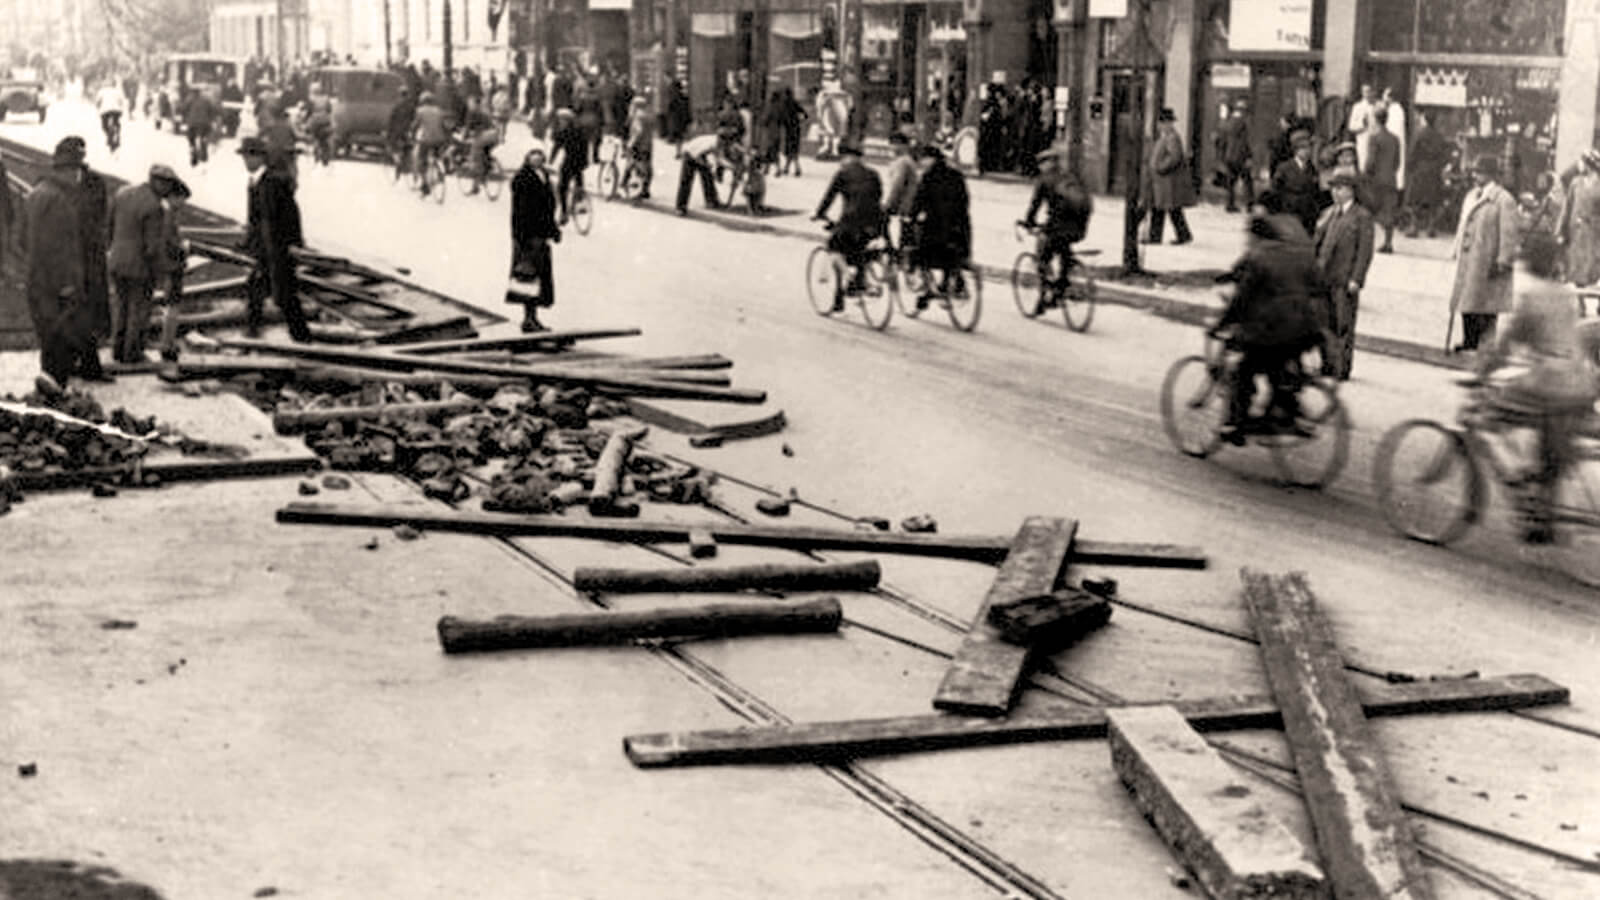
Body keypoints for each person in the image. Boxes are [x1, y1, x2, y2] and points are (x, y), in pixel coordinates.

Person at [1473, 232, 1600, 542]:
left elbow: (1505, 347)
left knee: (1485, 421)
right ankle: (1541, 517)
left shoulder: (1531, 298)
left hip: (1549, 383)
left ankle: (1518, 480)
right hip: (1579, 383)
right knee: (1552, 444)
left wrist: (1482, 373)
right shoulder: (1566, 294)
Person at [1213, 212, 1326, 444]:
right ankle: (1289, 412)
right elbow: (1319, 286)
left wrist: (1221, 325)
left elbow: (1241, 300)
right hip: (1306, 330)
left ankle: (1235, 423)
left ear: (1255, 237)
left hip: (1274, 332)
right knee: (1278, 369)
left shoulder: (1258, 257)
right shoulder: (1299, 255)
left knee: (1243, 371)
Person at [22, 138, 103, 391]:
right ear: (70, 171)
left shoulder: (35, 194)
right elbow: (63, 249)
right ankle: (55, 391)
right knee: (63, 336)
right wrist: (68, 284)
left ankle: (48, 384)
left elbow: (22, 239)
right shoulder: (60, 201)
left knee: (48, 335)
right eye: (77, 172)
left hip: (37, 278)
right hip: (59, 285)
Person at [107, 165, 182, 363]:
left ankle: (118, 350)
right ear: (159, 183)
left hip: (117, 261)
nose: (169, 191)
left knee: (121, 307)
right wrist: (163, 270)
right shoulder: (154, 206)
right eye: (168, 186)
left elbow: (109, 226)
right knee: (138, 311)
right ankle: (132, 353)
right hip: (139, 266)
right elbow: (151, 247)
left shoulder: (123, 192)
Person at [238, 136, 311, 342]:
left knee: (285, 294)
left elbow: (291, 213)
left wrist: (294, 243)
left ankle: (302, 337)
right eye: (244, 157)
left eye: (249, 157)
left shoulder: (273, 183)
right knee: (255, 288)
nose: (246, 162)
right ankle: (252, 331)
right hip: (263, 247)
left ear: (261, 158)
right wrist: (248, 240)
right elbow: (254, 218)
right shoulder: (255, 182)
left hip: (278, 247)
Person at [1450, 155, 1521, 353]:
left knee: (1487, 305)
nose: (1475, 175)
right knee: (1467, 301)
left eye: (1479, 172)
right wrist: (1456, 248)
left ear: (1491, 175)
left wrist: (1504, 259)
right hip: (1470, 257)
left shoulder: (1503, 200)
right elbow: (1463, 224)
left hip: (1488, 259)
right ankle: (1469, 340)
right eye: (1474, 171)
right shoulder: (1472, 196)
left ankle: (1486, 344)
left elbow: (1509, 233)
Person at [1312, 172, 1376, 380]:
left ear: (1350, 191)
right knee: (1325, 323)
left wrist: (1357, 279)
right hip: (1325, 277)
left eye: (1339, 188)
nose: (1335, 192)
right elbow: (1318, 244)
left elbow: (1364, 252)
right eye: (1333, 188)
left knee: (1343, 325)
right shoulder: (1329, 213)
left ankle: (1342, 367)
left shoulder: (1361, 217)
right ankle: (1327, 364)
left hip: (1344, 278)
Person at [812, 142, 884, 309]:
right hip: (874, 223)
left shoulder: (842, 174)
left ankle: (848, 274)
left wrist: (819, 214)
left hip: (851, 222)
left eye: (842, 158)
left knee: (833, 248)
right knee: (860, 252)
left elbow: (829, 197)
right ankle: (852, 288)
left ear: (847, 158)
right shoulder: (874, 174)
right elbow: (878, 197)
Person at [1019, 147, 1092, 309]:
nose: (1040, 167)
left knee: (1044, 256)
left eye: (1041, 163)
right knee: (1064, 249)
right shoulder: (1071, 177)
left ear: (1045, 164)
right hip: (1080, 228)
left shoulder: (1044, 180)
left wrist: (1028, 222)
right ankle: (1062, 283)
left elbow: (1035, 206)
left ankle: (1046, 294)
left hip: (1057, 227)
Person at [507, 144, 562, 333]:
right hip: (528, 236)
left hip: (540, 235)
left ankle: (533, 318)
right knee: (528, 279)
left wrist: (553, 230)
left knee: (537, 279)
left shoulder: (544, 176)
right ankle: (529, 319)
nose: (537, 156)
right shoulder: (522, 179)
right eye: (533, 153)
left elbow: (548, 208)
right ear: (527, 157)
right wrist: (521, 237)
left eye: (539, 153)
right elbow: (519, 212)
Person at [908, 143, 972, 304]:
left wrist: (911, 216)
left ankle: (928, 289)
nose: (922, 163)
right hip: (960, 224)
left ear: (931, 159)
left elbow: (919, 200)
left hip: (936, 224)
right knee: (951, 253)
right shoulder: (956, 175)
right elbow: (965, 199)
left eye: (923, 159)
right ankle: (951, 282)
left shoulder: (928, 177)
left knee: (921, 254)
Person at [1145, 108, 1194, 245]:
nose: (1160, 126)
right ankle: (1182, 235)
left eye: (1163, 123)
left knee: (1164, 209)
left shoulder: (1172, 137)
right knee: (1167, 209)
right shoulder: (1165, 137)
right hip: (1163, 181)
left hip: (1168, 180)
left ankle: (1160, 236)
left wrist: (1160, 167)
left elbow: (1174, 157)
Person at [1363, 106, 1402, 253]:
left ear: (1376, 120)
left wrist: (1366, 174)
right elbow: (1397, 161)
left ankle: (1369, 242)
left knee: (1372, 210)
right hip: (1391, 178)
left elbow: (1370, 162)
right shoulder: (1395, 139)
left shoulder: (1374, 138)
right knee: (1388, 210)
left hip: (1376, 180)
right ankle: (1388, 242)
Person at [1406, 110, 1450, 238]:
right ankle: (1431, 228)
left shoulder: (1420, 135)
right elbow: (1444, 155)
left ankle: (1414, 227)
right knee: (1433, 200)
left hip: (1420, 169)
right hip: (1434, 170)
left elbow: (1414, 152)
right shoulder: (1439, 136)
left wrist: (1410, 166)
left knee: (1416, 200)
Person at [1560, 150, 1600, 289]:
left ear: (1589, 165)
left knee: (1591, 272)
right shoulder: (1576, 183)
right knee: (1576, 271)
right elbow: (1567, 207)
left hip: (1593, 235)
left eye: (1582, 162)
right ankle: (1580, 305)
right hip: (1576, 232)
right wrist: (1561, 230)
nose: (1579, 165)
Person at [1272, 131, 1321, 238]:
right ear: (1296, 151)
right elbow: (1276, 190)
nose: (1307, 152)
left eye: (1308, 149)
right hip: (1290, 208)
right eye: (1303, 149)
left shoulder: (1312, 169)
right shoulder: (1284, 168)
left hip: (1308, 210)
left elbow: (1316, 191)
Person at [675, 130, 731, 215]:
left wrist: (731, 167)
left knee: (708, 177)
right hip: (690, 153)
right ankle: (680, 207)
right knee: (686, 181)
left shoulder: (718, 144)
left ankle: (711, 201)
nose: (725, 144)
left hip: (700, 155)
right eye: (725, 142)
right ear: (721, 139)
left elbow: (719, 158)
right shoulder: (712, 143)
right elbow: (697, 156)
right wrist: (705, 164)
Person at [550, 108, 590, 223]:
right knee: (579, 182)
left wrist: (550, 161)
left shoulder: (562, 132)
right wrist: (586, 161)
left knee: (562, 187)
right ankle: (580, 202)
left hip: (569, 162)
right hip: (581, 161)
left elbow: (556, 148)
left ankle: (564, 213)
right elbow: (586, 146)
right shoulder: (580, 130)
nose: (560, 122)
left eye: (562, 120)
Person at [882, 132, 920, 251]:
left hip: (905, 206)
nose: (892, 147)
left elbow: (897, 186)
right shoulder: (908, 161)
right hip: (909, 206)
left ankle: (893, 256)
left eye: (895, 144)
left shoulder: (902, 162)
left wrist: (888, 205)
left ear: (903, 146)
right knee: (907, 238)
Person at [1214, 99, 1254, 212]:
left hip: (1229, 155)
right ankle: (1249, 204)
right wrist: (1249, 156)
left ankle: (1230, 204)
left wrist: (1222, 157)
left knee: (1231, 181)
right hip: (1241, 156)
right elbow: (1244, 142)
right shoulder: (1243, 123)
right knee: (1247, 181)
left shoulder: (1227, 122)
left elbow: (1222, 140)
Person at [411, 91, 449, 196]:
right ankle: (440, 171)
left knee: (421, 160)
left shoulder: (420, 111)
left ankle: (425, 185)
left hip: (426, 140)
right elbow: (444, 127)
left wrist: (412, 136)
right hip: (440, 140)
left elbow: (415, 126)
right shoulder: (439, 111)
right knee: (437, 155)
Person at [460, 96, 500, 193]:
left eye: (470, 102)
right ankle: (487, 168)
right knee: (484, 154)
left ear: (474, 103)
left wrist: (464, 137)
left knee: (474, 158)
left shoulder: (472, 112)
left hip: (484, 136)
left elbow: (468, 127)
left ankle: (476, 185)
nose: (469, 104)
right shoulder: (485, 111)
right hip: (494, 135)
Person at [625, 96, 655, 201]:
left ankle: (625, 183)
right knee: (647, 167)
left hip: (639, 145)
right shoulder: (649, 115)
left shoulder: (638, 116)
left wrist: (631, 143)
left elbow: (638, 131)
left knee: (633, 163)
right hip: (648, 145)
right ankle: (646, 189)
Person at [181, 88, 218, 167]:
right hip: (204, 124)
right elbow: (212, 111)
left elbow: (183, 109)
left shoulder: (189, 100)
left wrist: (185, 118)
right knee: (204, 137)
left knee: (190, 138)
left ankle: (192, 148)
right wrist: (212, 120)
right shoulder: (206, 100)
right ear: (200, 92)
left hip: (192, 124)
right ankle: (204, 153)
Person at [1347, 83, 1379, 169]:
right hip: (1363, 140)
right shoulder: (1358, 107)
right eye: (1365, 91)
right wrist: (1362, 124)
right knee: (1364, 165)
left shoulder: (1376, 106)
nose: (1367, 94)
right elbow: (1351, 126)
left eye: (1369, 91)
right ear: (1362, 92)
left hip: (1375, 141)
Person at [95, 78, 125, 150]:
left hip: (105, 110)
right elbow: (121, 101)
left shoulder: (102, 91)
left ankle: (109, 135)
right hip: (116, 110)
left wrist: (98, 107)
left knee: (104, 126)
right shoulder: (117, 91)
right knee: (117, 123)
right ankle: (117, 134)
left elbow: (97, 102)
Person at [665, 79, 692, 158]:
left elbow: (670, 109)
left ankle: (679, 151)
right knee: (680, 136)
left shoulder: (674, 98)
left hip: (677, 119)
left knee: (679, 136)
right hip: (681, 118)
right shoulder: (683, 97)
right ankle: (680, 151)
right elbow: (687, 108)